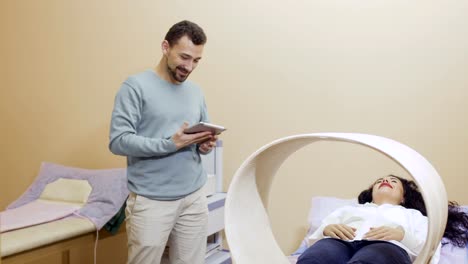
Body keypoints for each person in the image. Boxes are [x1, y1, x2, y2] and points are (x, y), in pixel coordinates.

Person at [109, 20, 218, 264]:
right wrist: (170, 144)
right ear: (165, 47)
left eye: (196, 61)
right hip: (151, 200)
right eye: (185, 57)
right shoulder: (135, 87)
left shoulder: (195, 92)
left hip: (193, 196)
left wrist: (204, 145)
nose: (189, 67)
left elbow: (199, 137)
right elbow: (118, 141)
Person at [297, 175, 438, 264]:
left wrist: (403, 236)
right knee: (313, 258)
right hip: (339, 242)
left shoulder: (413, 215)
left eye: (393, 181)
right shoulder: (349, 209)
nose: (385, 180)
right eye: (379, 181)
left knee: (370, 260)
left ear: (404, 198)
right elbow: (317, 236)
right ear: (371, 192)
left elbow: (429, 248)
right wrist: (326, 230)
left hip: (388, 246)